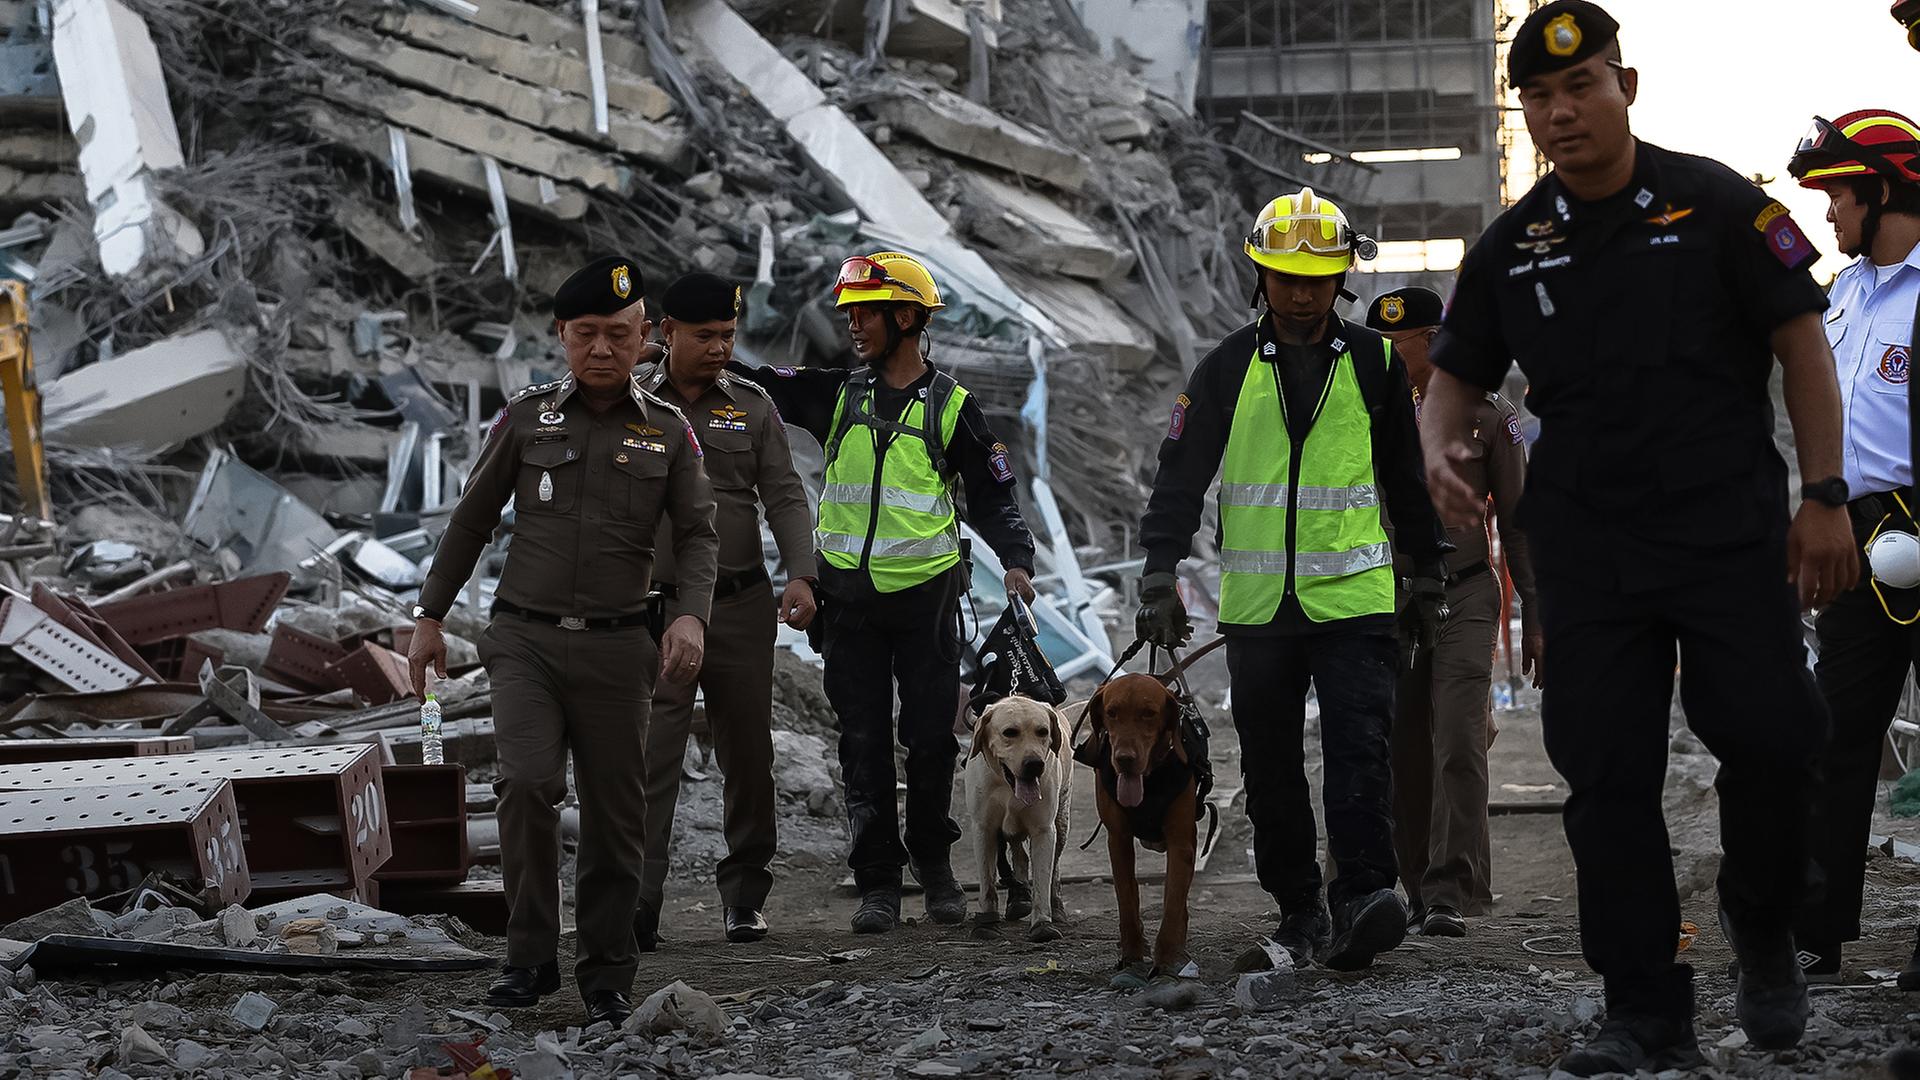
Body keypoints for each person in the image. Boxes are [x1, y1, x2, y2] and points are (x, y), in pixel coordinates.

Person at [1418, 3, 1858, 1071]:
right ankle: (1644, 1008)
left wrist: (1826, 494)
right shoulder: (1514, 246)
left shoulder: (1718, 208)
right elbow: (1455, 376)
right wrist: (1438, 449)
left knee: (1772, 736)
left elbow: (1802, 344)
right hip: (1590, 550)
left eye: (1582, 89)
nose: (1562, 114)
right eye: (1541, 99)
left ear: (1627, 86)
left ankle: (1761, 926)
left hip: (1726, 535)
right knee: (1606, 776)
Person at [1135, 188, 1452, 972]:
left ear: (1342, 275)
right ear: (1261, 275)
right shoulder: (1225, 369)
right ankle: (1299, 912)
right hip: (1258, 610)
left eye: (1316, 275)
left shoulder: (1378, 364)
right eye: (1285, 275)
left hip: (1354, 603)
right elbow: (1180, 478)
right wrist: (1156, 574)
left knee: (1358, 752)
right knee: (1270, 767)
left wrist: (1427, 579)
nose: (1301, 290)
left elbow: (1405, 483)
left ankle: (1363, 900)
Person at [405, 256, 720, 1026]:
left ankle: (608, 973)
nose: (603, 350)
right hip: (525, 641)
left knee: (618, 816)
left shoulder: (669, 432)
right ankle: (528, 955)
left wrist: (689, 615)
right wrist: (429, 617)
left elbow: (701, 535)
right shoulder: (526, 418)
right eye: (587, 335)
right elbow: (471, 521)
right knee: (527, 784)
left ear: (645, 335)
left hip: (621, 650)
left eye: (619, 334)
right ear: (561, 336)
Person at [728, 251, 1038, 933]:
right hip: (849, 607)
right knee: (861, 743)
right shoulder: (838, 392)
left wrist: (1016, 560)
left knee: (930, 742)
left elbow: (995, 495)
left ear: (906, 316)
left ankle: (935, 869)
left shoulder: (954, 407)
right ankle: (877, 884)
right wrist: (702, 353)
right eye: (849, 315)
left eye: (865, 314)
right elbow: (761, 382)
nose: (854, 326)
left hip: (926, 604)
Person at [631, 272, 818, 949]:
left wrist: (802, 573)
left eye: (728, 337)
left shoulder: (752, 405)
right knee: (651, 758)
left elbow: (786, 495)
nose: (719, 348)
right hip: (655, 612)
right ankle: (640, 901)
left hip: (740, 607)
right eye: (705, 336)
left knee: (747, 754)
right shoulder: (629, 403)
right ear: (666, 332)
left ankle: (745, 895)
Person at [1783, 109, 1920, 985]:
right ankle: (1816, 930)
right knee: (1835, 733)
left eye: (1839, 195)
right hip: (1853, 531)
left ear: (1884, 190)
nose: (1828, 215)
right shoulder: (1840, 296)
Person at [1365, 286, 1539, 940]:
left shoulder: (1493, 417)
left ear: (1431, 341)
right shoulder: (1365, 413)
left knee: (1460, 740)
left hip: (1466, 592)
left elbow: (1520, 527)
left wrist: (1538, 611)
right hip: (1387, 595)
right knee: (1400, 745)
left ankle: (1449, 890)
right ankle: (1407, 887)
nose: (1383, 352)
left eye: (1395, 342)